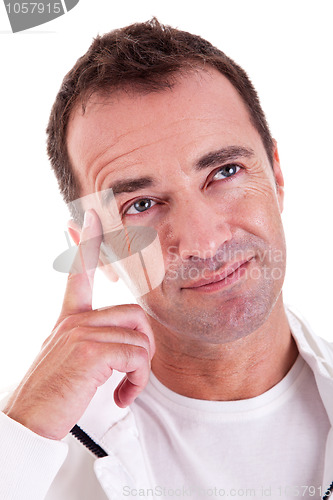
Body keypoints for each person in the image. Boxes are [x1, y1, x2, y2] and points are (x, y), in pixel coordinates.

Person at [1, 18, 332, 500]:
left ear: (277, 176)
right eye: (140, 205)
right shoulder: (26, 445)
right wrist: (19, 442)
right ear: (97, 249)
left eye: (225, 171)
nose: (202, 242)